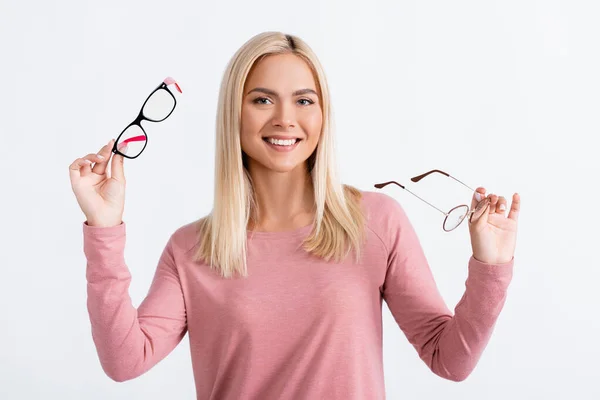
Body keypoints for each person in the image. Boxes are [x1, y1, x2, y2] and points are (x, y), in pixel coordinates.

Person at [68, 31, 520, 399]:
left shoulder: (377, 222)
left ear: (323, 115)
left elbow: (450, 360)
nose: (285, 118)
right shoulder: (191, 249)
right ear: (234, 114)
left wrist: (491, 269)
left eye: (304, 100)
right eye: (262, 100)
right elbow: (125, 361)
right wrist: (104, 230)